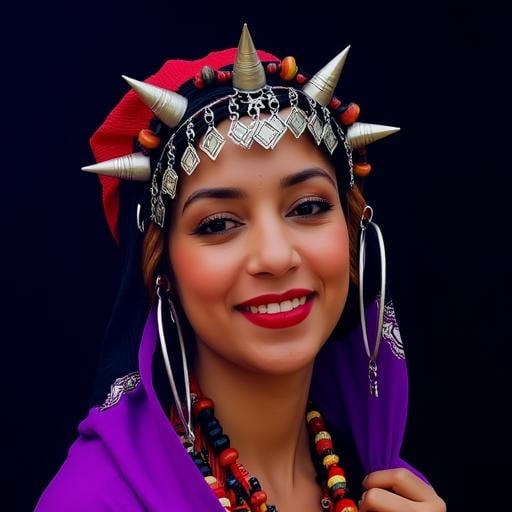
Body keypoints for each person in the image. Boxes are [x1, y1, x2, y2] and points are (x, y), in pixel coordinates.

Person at [35, 24, 446, 512]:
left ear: (355, 231)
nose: (275, 256)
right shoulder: (97, 500)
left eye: (308, 208)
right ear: (161, 266)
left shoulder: (385, 488)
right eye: (218, 223)